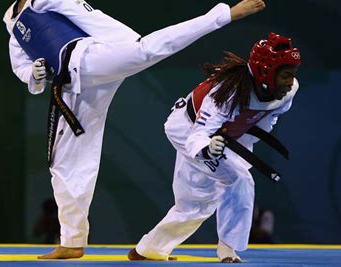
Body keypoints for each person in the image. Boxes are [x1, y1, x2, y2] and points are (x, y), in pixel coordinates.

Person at [3, 0, 266, 259]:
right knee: (66, 162)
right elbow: (20, 64)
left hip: (91, 59)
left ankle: (223, 15)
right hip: (73, 85)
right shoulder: (12, 20)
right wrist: (34, 74)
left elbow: (93, 17)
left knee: (147, 49)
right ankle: (72, 241)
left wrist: (127, 44)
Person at [128, 33, 301, 263]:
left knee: (195, 204)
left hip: (228, 135)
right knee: (239, 180)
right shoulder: (227, 92)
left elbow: (267, 119)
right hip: (186, 129)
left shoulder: (288, 92)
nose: (289, 82)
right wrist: (209, 149)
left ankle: (149, 250)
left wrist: (236, 146)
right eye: (285, 75)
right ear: (265, 72)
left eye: (292, 74)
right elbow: (199, 134)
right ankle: (229, 250)